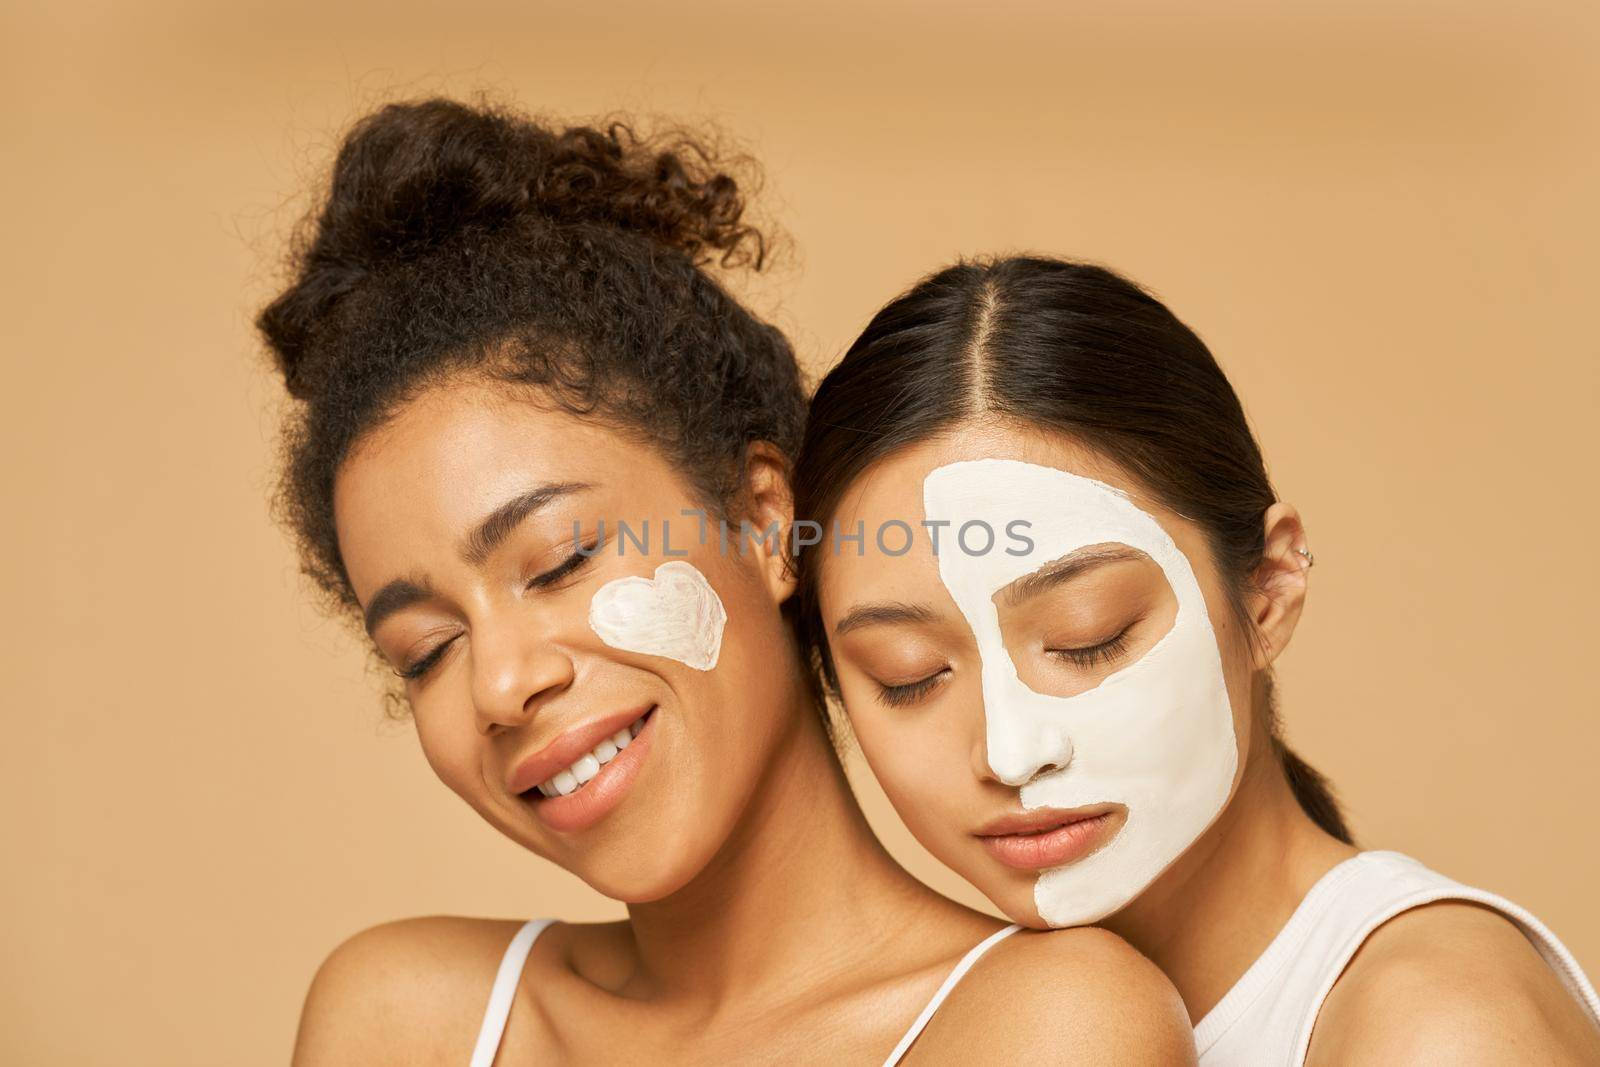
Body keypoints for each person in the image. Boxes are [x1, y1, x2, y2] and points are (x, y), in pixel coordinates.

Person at [259, 102, 1194, 1065]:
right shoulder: (403, 1020)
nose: (499, 684)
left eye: (560, 560)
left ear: (760, 518)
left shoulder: (1047, 1025)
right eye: (427, 649)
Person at [793, 255, 1600, 1064]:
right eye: (909, 676)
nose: (1010, 748)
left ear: (1269, 590)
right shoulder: (964, 1027)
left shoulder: (1441, 1027)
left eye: (1088, 636)